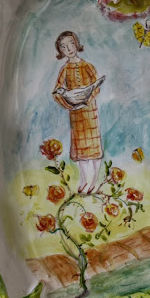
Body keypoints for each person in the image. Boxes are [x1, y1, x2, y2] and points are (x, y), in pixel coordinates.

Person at [53, 31, 103, 193]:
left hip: (90, 112)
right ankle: (84, 180)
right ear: (60, 51)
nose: (69, 48)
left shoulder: (88, 66)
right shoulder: (64, 70)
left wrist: (87, 99)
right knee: (81, 149)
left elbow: (96, 86)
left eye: (71, 44)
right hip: (76, 114)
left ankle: (93, 182)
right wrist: (68, 104)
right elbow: (56, 92)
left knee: (94, 148)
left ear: (77, 44)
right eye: (63, 46)